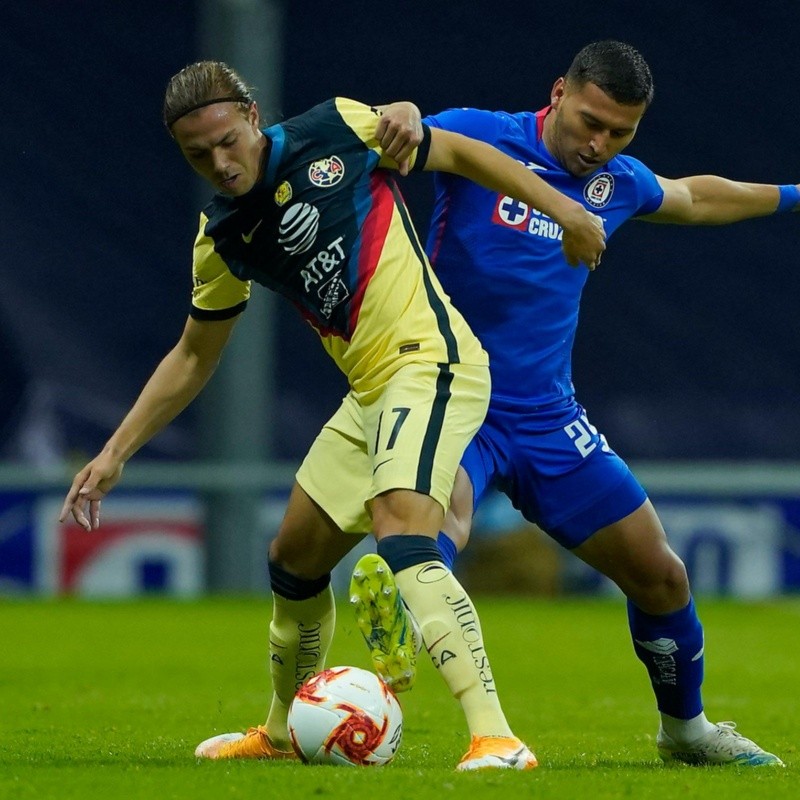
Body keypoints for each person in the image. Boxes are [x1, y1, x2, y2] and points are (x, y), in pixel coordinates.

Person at [58, 60, 605, 771]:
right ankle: (281, 733)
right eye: (199, 155)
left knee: (404, 532)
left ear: (253, 116)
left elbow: (463, 152)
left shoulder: (336, 127)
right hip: (370, 392)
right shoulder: (222, 235)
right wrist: (114, 454)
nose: (221, 163)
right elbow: (193, 355)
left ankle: (496, 737)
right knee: (293, 558)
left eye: (228, 140)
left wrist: (565, 210)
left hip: (432, 360)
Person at [374, 40, 796, 767]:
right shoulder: (481, 134)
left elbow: (697, 197)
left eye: (620, 132)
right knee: (437, 531)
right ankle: (391, 659)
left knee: (661, 574)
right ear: (559, 94)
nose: (599, 144)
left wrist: (795, 196)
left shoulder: (617, 183)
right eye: (591, 122)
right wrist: (403, 112)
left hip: (546, 416)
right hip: (453, 395)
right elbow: (396, 133)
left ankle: (685, 732)